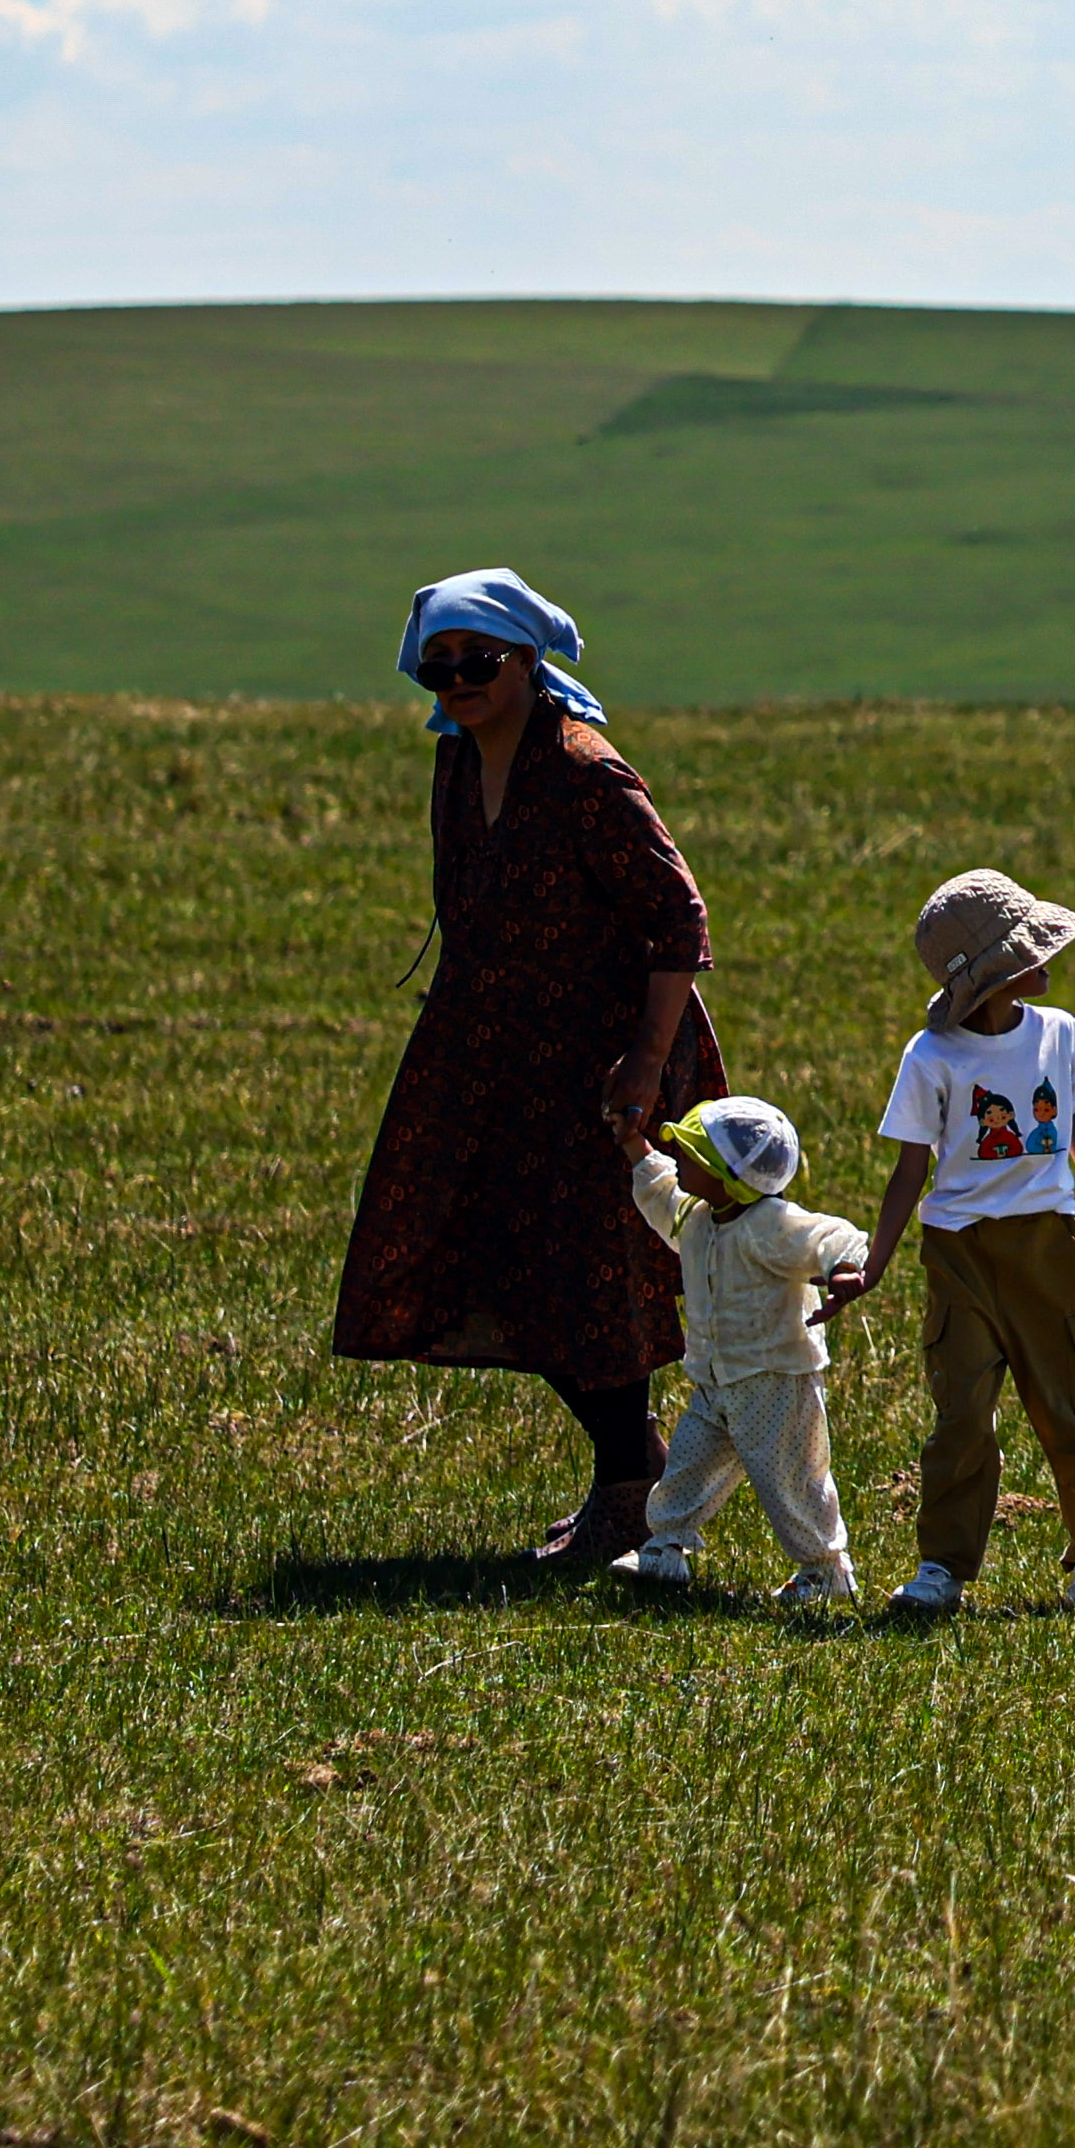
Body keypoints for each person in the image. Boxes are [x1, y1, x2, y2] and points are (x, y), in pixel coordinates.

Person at [326, 567, 724, 1564]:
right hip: (492, 1049)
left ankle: (631, 1488)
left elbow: (677, 916)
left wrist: (645, 1059)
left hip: (598, 1058)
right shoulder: (458, 760)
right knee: (491, 1249)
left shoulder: (585, 771)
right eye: (438, 665)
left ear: (529, 662)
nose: (456, 680)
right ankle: (637, 1471)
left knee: (587, 1273)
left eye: (478, 662)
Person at [831, 867, 1075, 1618]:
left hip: (1052, 1252)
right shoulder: (932, 1056)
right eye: (1032, 946)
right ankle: (943, 1566)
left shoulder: (1059, 1035)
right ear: (997, 975)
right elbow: (909, 1171)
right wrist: (872, 1267)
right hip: (961, 1259)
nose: (1049, 955)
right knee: (962, 1419)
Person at [623, 1094, 874, 1607]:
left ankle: (826, 1569)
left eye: (690, 1155)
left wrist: (843, 1266)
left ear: (724, 1175)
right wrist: (634, 1146)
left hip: (774, 1380)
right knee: (688, 1466)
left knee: (791, 1480)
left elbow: (828, 1235)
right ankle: (666, 1545)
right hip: (716, 1380)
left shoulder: (768, 1226)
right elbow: (660, 1195)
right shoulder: (697, 1217)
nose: (679, 1163)